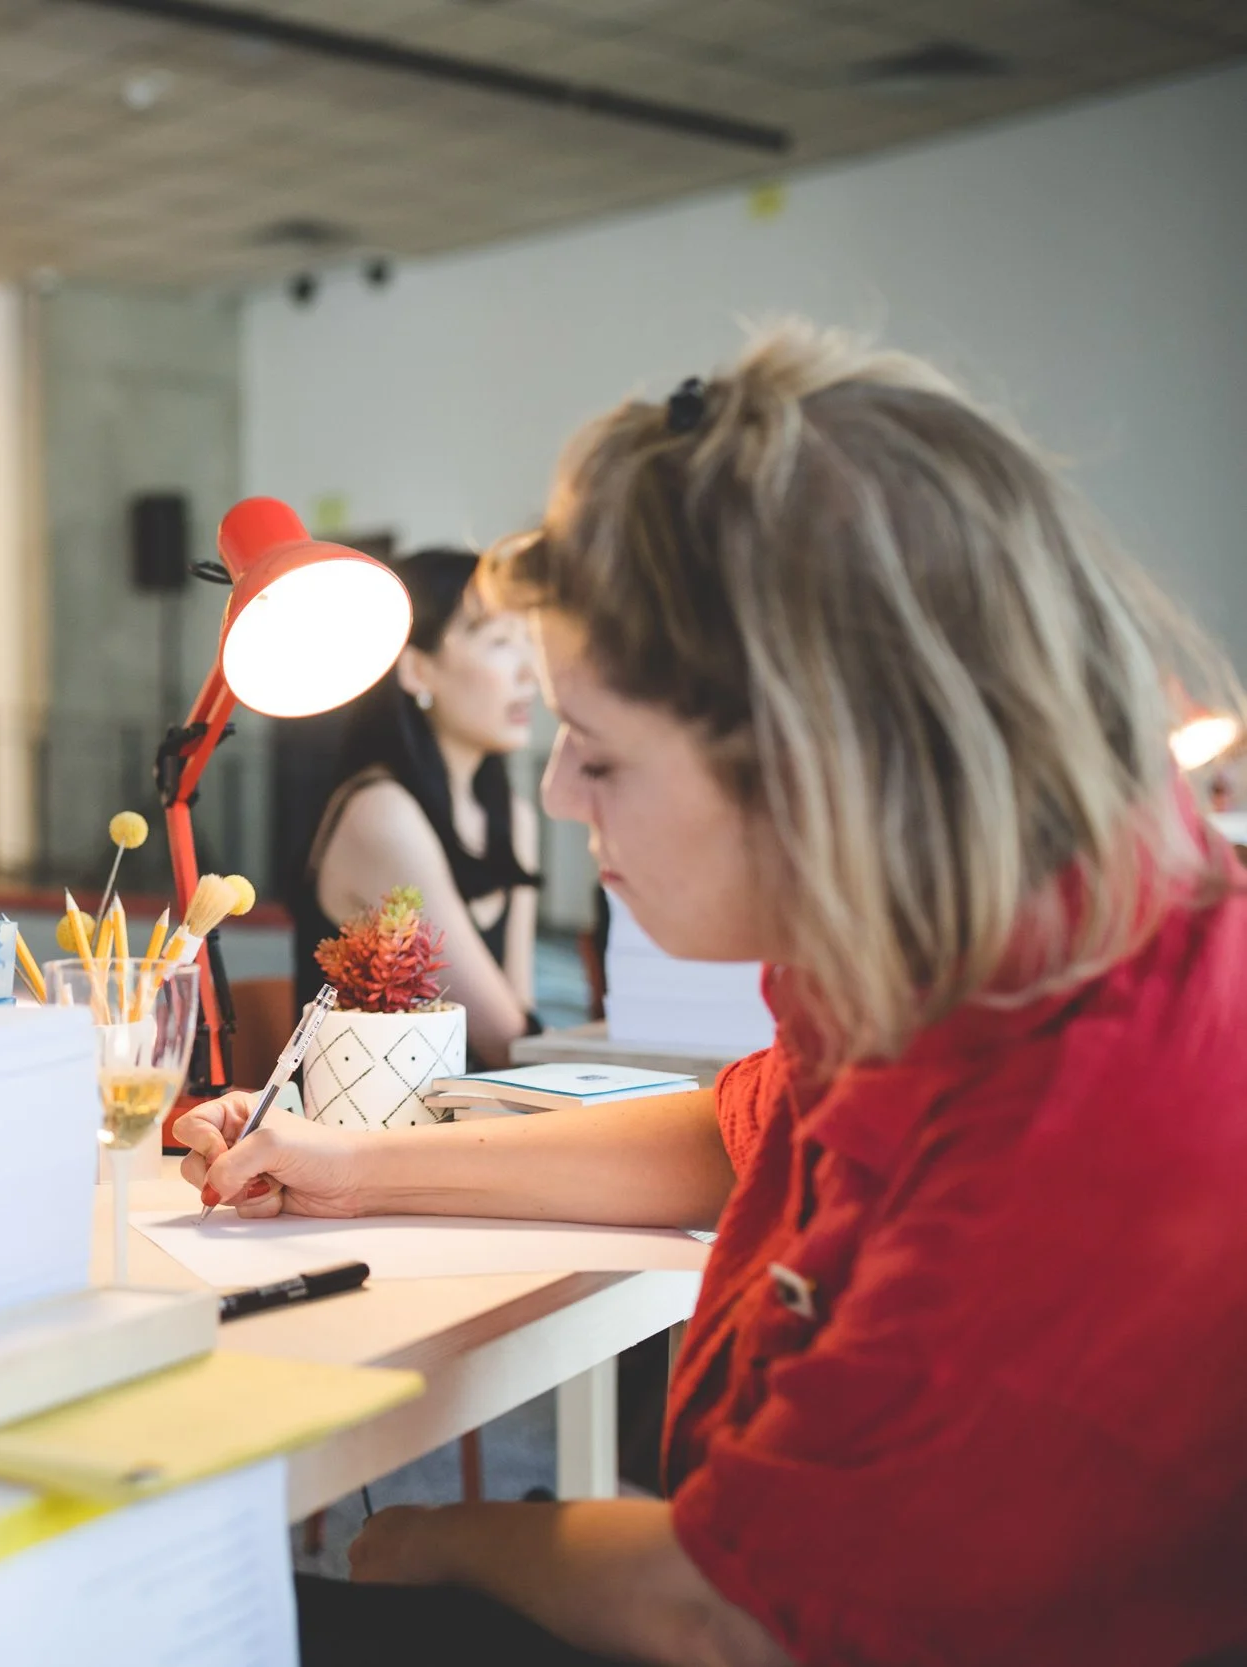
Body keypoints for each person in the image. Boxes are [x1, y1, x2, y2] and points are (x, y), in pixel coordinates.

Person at [178, 327, 1247, 1666]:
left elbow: (728, 1607)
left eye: (605, 755)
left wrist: (419, 1543)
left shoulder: (1074, 1130)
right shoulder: (981, 950)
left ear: (815, 758)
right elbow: (741, 1127)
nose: (563, 794)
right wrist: (357, 1164)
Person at [293, 548, 539, 1066]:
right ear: (417, 670)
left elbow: (522, 1018)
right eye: (499, 642)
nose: (530, 671)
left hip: (470, 1118)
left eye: (528, 640)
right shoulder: (382, 814)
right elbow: (504, 1038)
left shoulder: (513, 816)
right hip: (367, 1126)